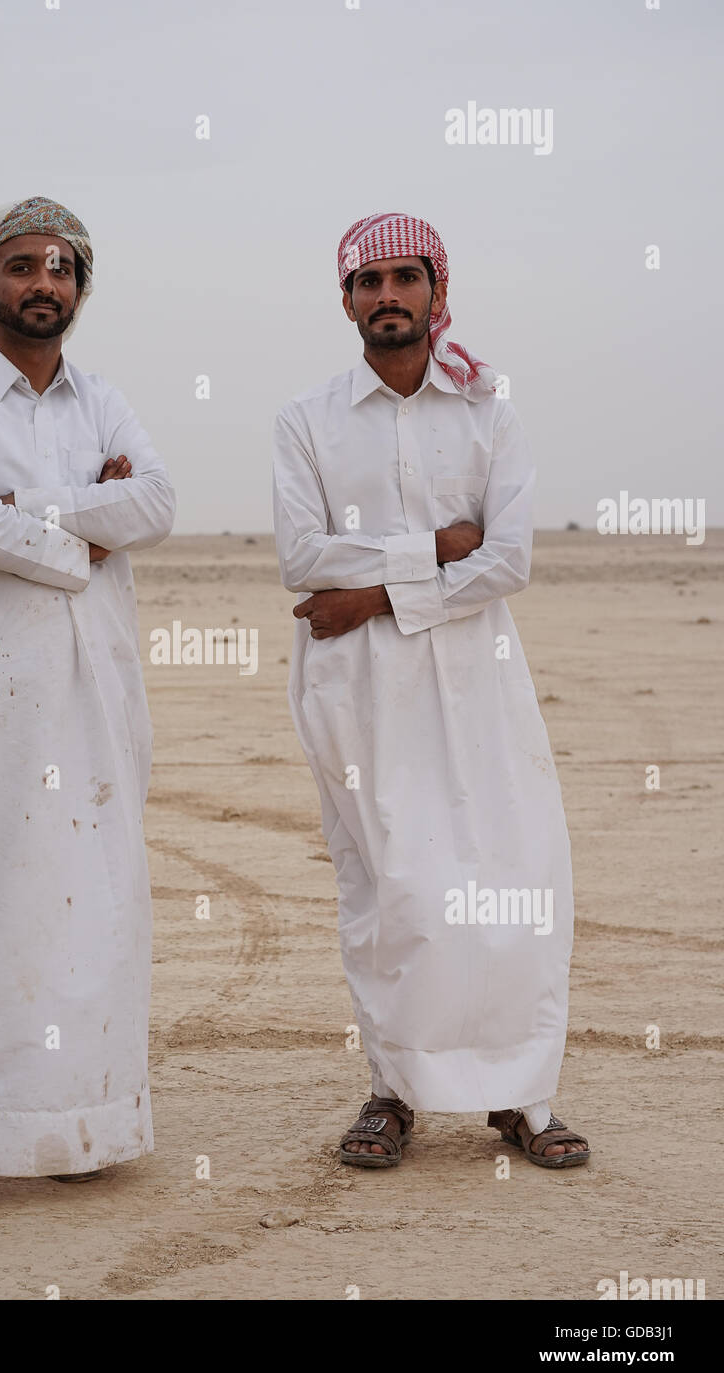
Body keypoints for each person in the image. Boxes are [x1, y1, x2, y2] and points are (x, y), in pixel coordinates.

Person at [272, 212, 590, 1170]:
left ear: (437, 291)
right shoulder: (308, 420)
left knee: (515, 872)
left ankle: (524, 1097)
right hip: (357, 684)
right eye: (367, 285)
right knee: (393, 885)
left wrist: (371, 590)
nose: (386, 298)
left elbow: (506, 561)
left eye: (403, 278)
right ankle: (392, 1091)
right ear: (346, 303)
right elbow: (301, 557)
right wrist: (431, 547)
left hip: (477, 674)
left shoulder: (490, 410)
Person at [0, 196, 175, 1211]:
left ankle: (75, 1123)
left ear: (79, 290)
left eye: (60, 267)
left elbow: (157, 501)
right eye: (20, 266)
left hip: (92, 692)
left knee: (88, 906)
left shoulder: (104, 401)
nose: (41, 282)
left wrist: (31, 511)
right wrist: (80, 537)